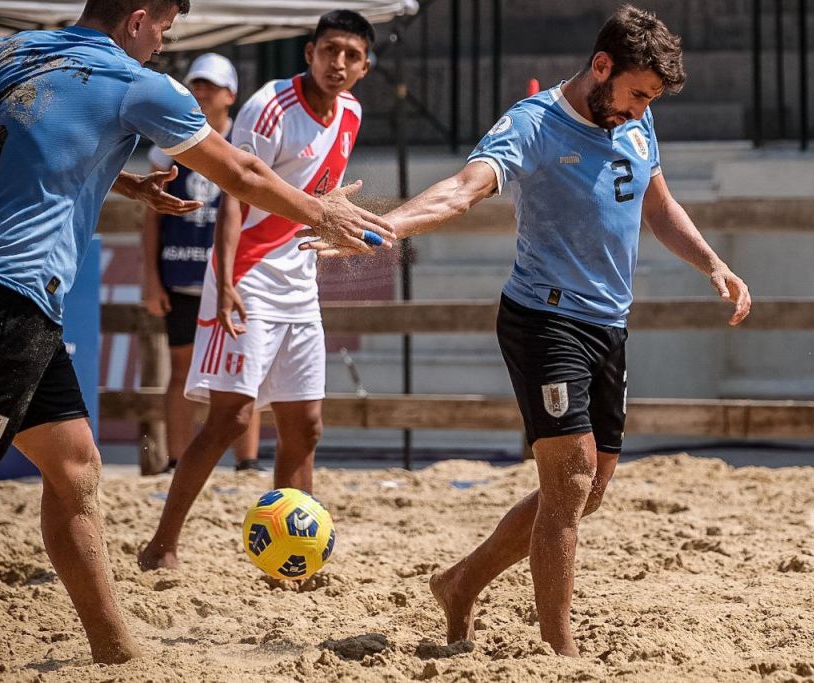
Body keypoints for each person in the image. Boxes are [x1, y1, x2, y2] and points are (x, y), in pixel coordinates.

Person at [309, 4, 751, 657]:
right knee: (569, 478)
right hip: (544, 318)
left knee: (586, 491)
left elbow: (658, 205)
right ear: (601, 66)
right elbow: (463, 189)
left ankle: (461, 581)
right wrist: (385, 226)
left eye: (649, 100)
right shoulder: (535, 124)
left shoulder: (638, 118)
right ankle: (560, 651)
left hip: (609, 323)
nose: (638, 110)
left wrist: (711, 260)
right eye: (634, 94)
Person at [0, 0, 392, 664]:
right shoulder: (139, 82)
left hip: (32, 302)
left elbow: (21, 140)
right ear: (141, 18)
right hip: (5, 294)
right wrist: (323, 213)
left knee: (78, 469)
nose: (163, 44)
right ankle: (157, 555)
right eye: (166, 30)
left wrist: (121, 182)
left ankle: (114, 651)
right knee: (212, 420)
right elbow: (244, 178)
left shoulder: (5, 53)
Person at [138, 10, 375, 571]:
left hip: (299, 281)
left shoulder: (352, 114)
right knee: (232, 418)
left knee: (306, 425)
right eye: (329, 50)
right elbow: (234, 193)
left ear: (365, 66)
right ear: (309, 51)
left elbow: (319, 196)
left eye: (350, 55)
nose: (337, 63)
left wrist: (336, 221)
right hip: (248, 276)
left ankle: (298, 559)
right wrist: (223, 283)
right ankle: (162, 544)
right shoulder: (270, 105)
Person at [141, 53, 264, 475]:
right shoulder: (172, 138)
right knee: (181, 369)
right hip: (182, 272)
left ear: (231, 94)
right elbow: (151, 215)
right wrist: (150, 276)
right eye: (197, 83)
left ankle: (247, 463)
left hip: (235, 274)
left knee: (241, 370)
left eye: (211, 84)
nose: (202, 90)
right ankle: (176, 459)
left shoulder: (245, 140)